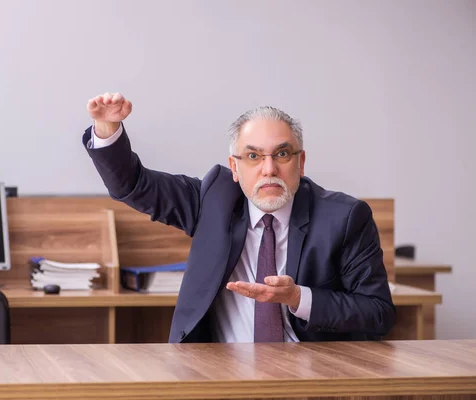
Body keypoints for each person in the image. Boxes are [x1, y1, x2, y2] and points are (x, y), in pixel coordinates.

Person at [83, 92, 395, 343]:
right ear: (235, 167)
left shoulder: (345, 217)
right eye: (254, 156)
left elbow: (378, 313)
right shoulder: (212, 201)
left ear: (301, 163)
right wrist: (108, 130)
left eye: (282, 154)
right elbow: (134, 185)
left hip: (310, 375)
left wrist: (300, 297)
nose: (269, 168)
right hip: (219, 375)